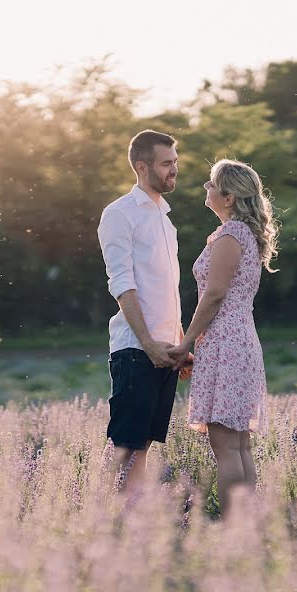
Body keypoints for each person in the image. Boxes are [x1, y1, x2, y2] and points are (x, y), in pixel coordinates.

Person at [167, 158, 279, 516]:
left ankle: (235, 530)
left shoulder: (231, 235)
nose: (206, 188)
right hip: (239, 338)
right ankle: (245, 525)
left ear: (228, 198)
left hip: (226, 341)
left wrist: (186, 343)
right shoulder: (243, 234)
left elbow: (214, 295)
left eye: (211, 184)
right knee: (238, 444)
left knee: (227, 446)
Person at [96, 129, 191, 495]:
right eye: (166, 163)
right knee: (125, 444)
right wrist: (148, 342)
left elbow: (164, 290)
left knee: (145, 446)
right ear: (142, 166)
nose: (174, 170)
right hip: (136, 348)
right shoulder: (120, 213)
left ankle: (132, 522)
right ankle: (97, 515)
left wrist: (178, 344)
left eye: (175, 163)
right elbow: (122, 284)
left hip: (166, 349)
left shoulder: (165, 220)